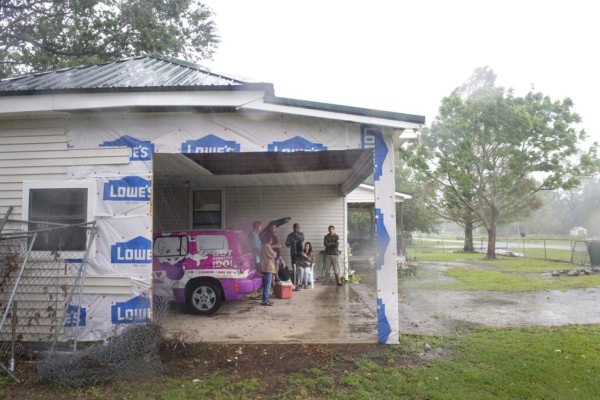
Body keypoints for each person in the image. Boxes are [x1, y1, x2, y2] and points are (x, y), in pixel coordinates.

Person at [259, 236, 277, 306]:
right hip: (268, 267)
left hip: (264, 267)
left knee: (266, 284)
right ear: (269, 240)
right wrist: (275, 253)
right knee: (267, 285)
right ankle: (265, 300)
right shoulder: (267, 246)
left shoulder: (263, 246)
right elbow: (272, 255)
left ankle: (266, 299)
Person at [248, 221, 263, 300]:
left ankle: (255, 292)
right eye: (260, 226)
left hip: (257, 258)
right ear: (257, 227)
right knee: (254, 275)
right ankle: (253, 293)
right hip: (255, 258)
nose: (261, 228)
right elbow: (256, 248)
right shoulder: (253, 235)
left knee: (256, 274)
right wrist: (264, 253)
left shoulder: (256, 235)